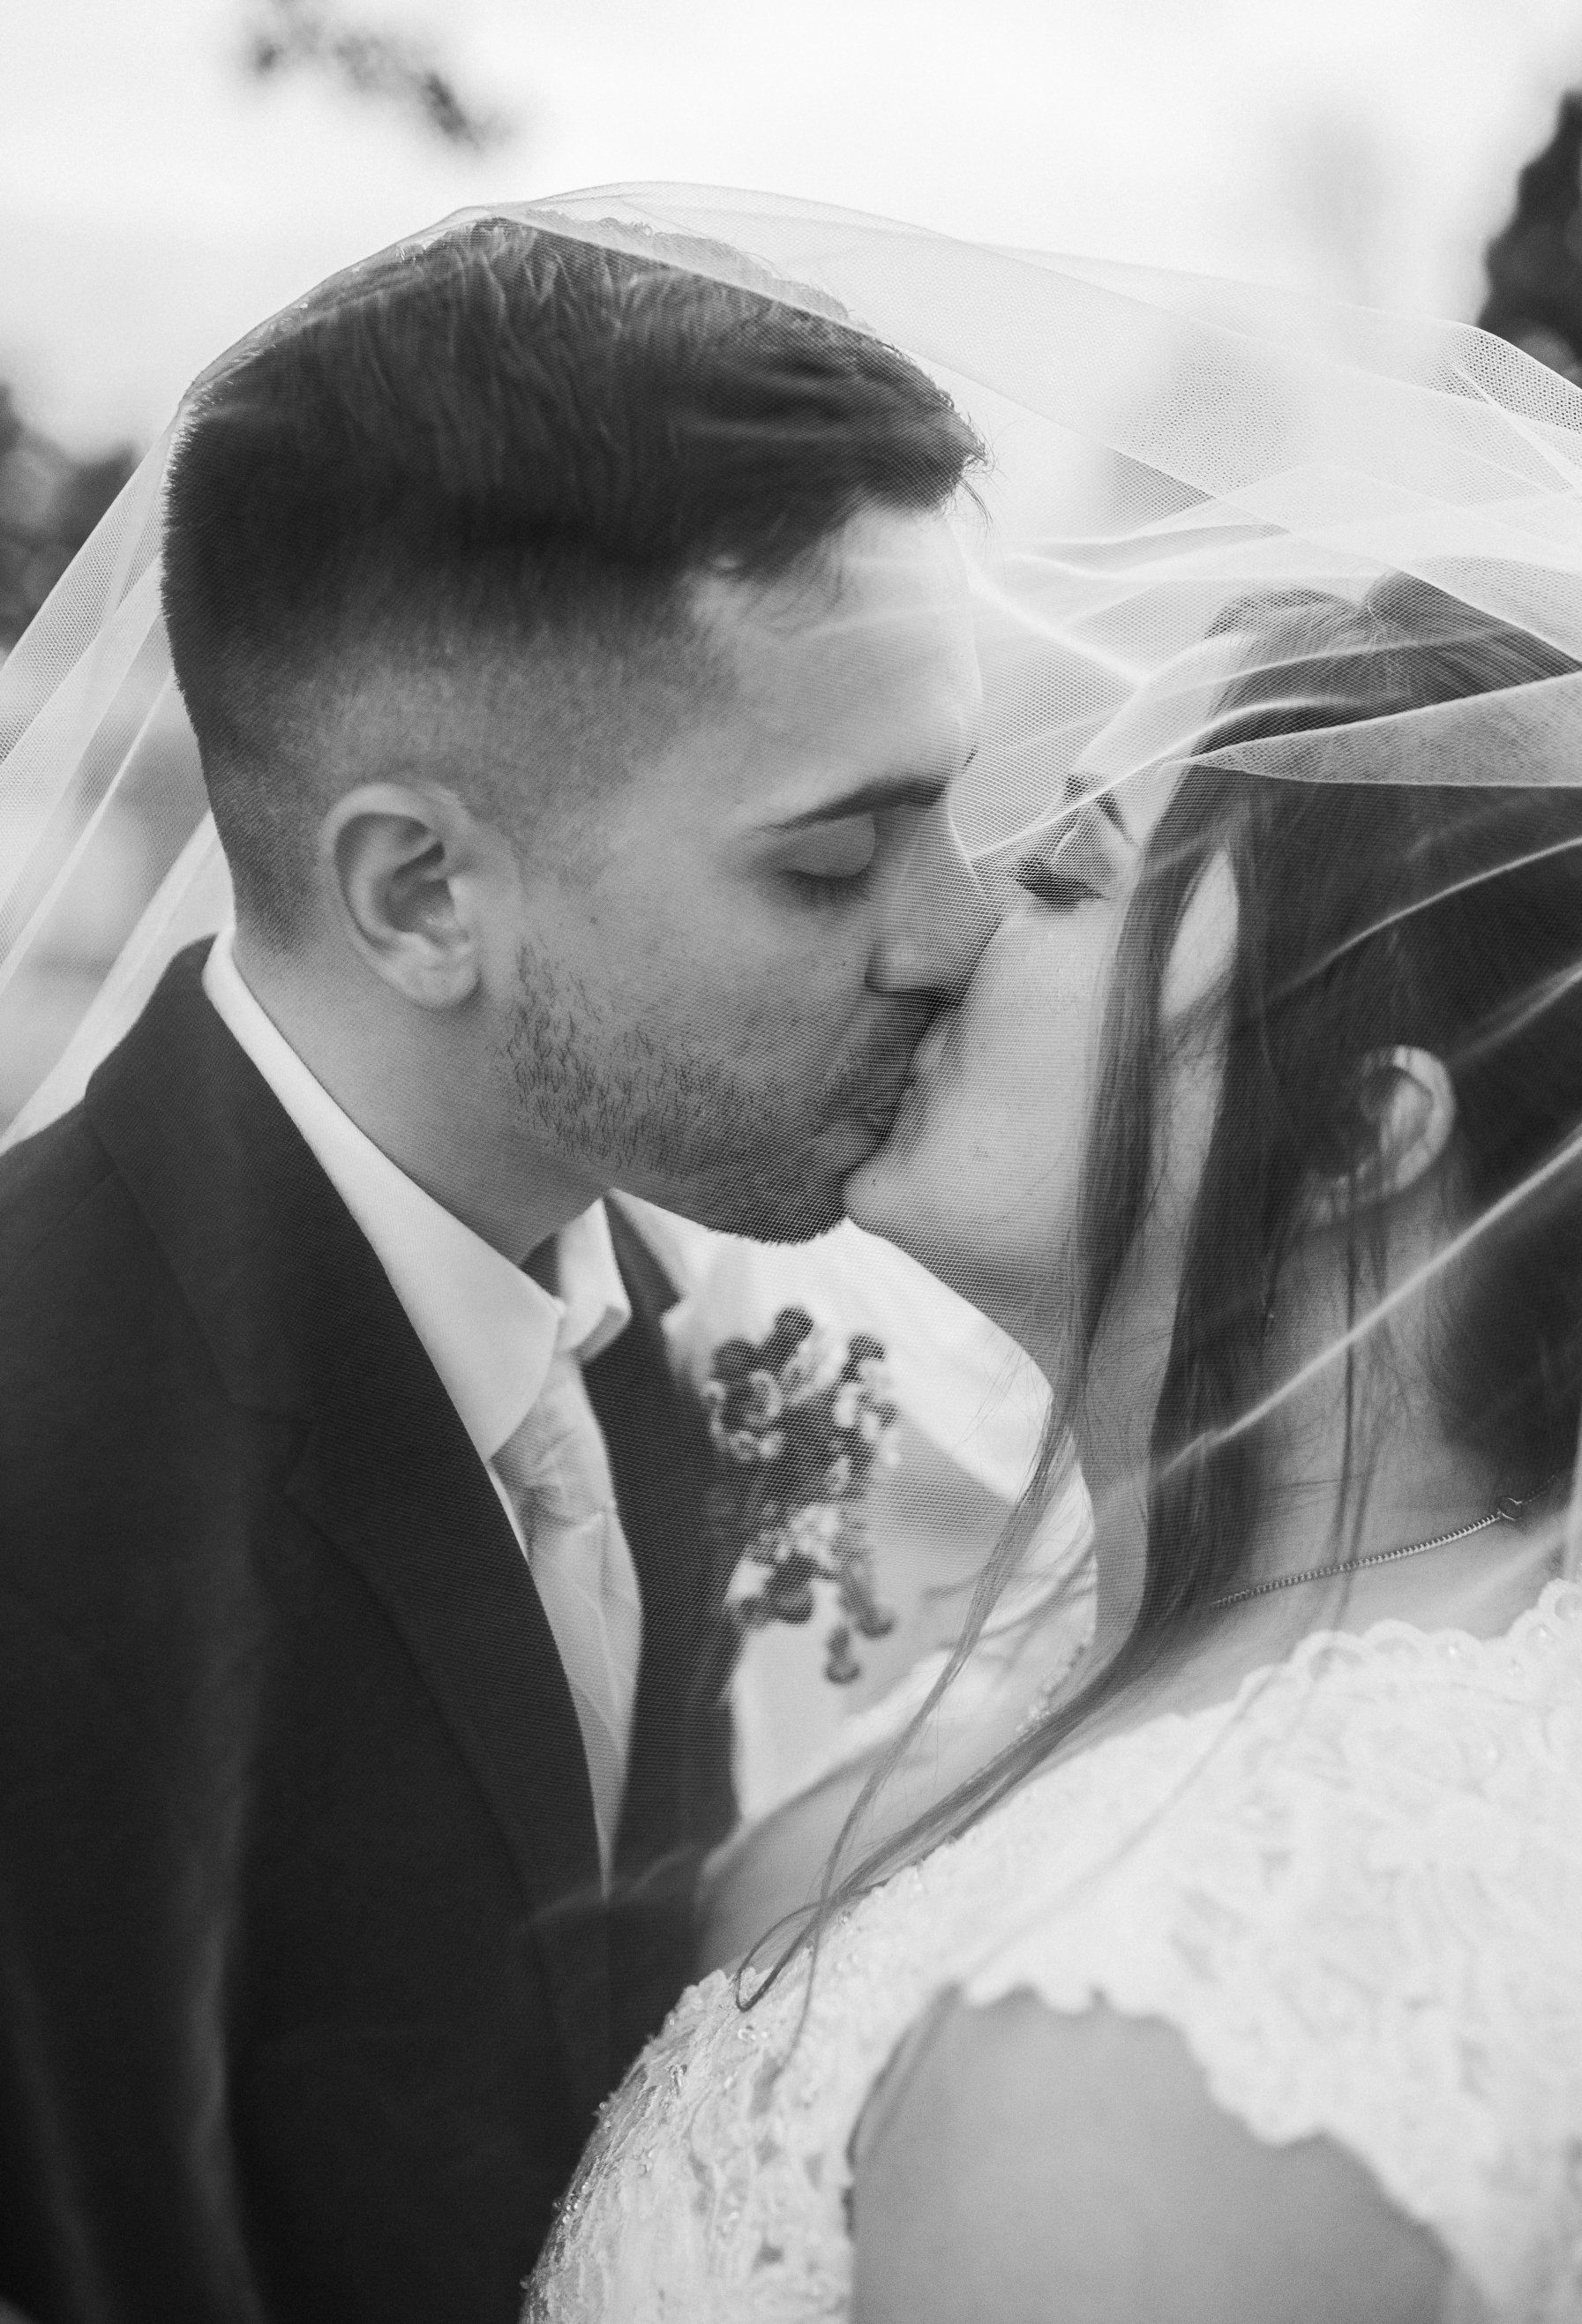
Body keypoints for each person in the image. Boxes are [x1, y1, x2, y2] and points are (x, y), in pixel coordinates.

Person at [519, 203, 1582, 2320]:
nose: (953, 933)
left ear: (1358, 1131)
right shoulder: (1468, 1714)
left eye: (1070, 874)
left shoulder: (1159, 2043)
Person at [0, 217, 993, 2324]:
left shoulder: (678, 1319)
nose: (956, 932)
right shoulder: (34, 1479)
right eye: (830, 856)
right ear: (420, 890)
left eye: (955, 815)